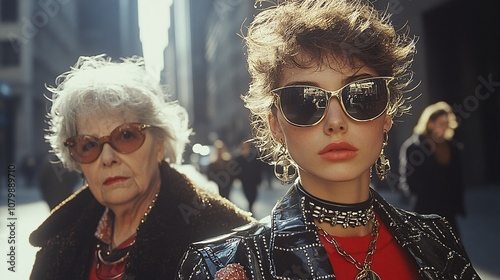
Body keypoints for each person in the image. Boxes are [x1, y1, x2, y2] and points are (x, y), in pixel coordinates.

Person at [176, 0, 479, 279]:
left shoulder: (440, 240)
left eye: (361, 95)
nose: (336, 122)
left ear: (387, 114)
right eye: (304, 101)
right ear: (275, 125)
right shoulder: (223, 265)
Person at [29, 54, 254, 280]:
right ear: (76, 160)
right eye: (88, 144)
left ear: (159, 145)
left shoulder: (225, 239)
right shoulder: (59, 241)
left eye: (126, 135)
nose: (107, 157)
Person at [398, 101, 466, 237]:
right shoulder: (414, 147)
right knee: (429, 251)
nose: (445, 127)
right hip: (425, 208)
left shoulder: (452, 147)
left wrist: (458, 203)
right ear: (430, 124)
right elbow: (409, 178)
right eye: (441, 123)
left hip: (448, 209)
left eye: (446, 123)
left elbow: (457, 178)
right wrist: (424, 191)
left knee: (453, 249)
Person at [234, 141, 262, 213]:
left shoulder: (254, 158)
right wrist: (238, 178)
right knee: (247, 194)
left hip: (254, 180)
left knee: (254, 195)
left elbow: (259, 169)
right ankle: (250, 206)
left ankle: (251, 205)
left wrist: (259, 180)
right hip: (245, 181)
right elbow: (236, 170)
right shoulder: (239, 159)